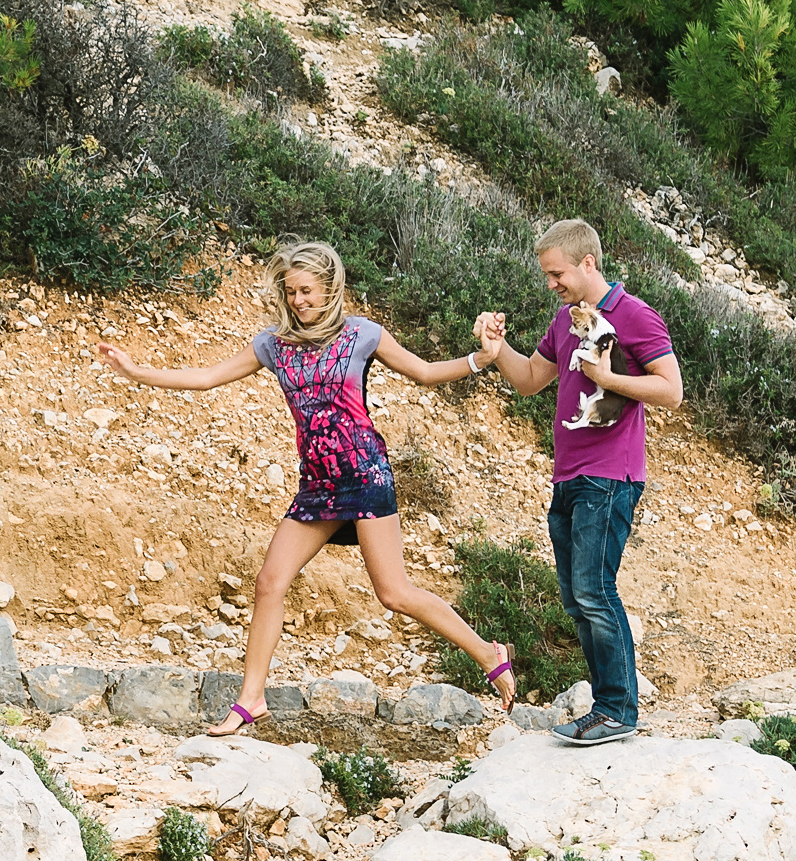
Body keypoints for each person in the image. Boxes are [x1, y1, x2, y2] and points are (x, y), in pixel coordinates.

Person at [97, 238, 516, 738]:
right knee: (270, 582)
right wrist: (136, 371)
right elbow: (208, 378)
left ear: (331, 288)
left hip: (364, 475)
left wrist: (481, 360)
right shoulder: (273, 345)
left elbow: (424, 373)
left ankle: (488, 652)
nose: (297, 301)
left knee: (394, 593)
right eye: (290, 291)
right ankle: (252, 698)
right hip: (317, 484)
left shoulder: (362, 334)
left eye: (307, 291)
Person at [475, 218, 684, 747]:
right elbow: (528, 381)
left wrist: (609, 379)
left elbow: (672, 390)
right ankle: (605, 708)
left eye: (557, 273)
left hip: (609, 476)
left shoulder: (633, 315)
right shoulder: (566, 320)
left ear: (586, 263)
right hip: (568, 476)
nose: (552, 284)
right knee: (575, 596)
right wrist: (497, 349)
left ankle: (616, 709)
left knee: (595, 589)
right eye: (548, 275)